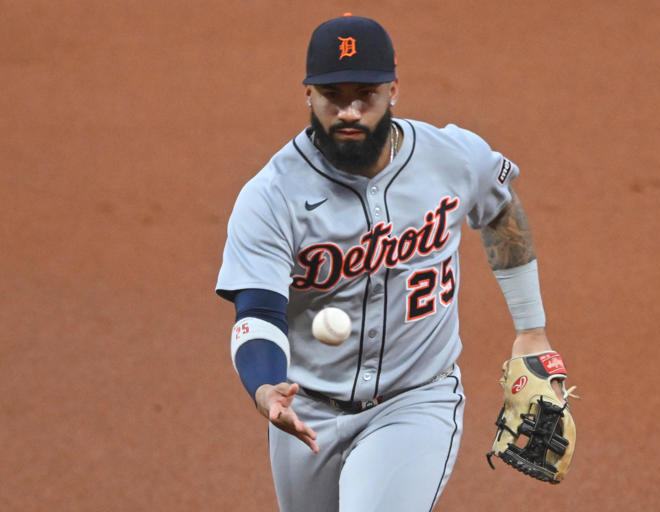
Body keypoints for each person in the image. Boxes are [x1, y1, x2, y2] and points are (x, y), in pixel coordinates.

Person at [216, 13, 567, 512]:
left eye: (366, 94)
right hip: (306, 411)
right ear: (308, 96)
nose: (350, 111)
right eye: (333, 96)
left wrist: (532, 330)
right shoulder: (271, 196)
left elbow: (500, 208)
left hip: (416, 401)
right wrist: (265, 386)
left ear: (394, 89)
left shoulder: (453, 157)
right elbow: (257, 312)